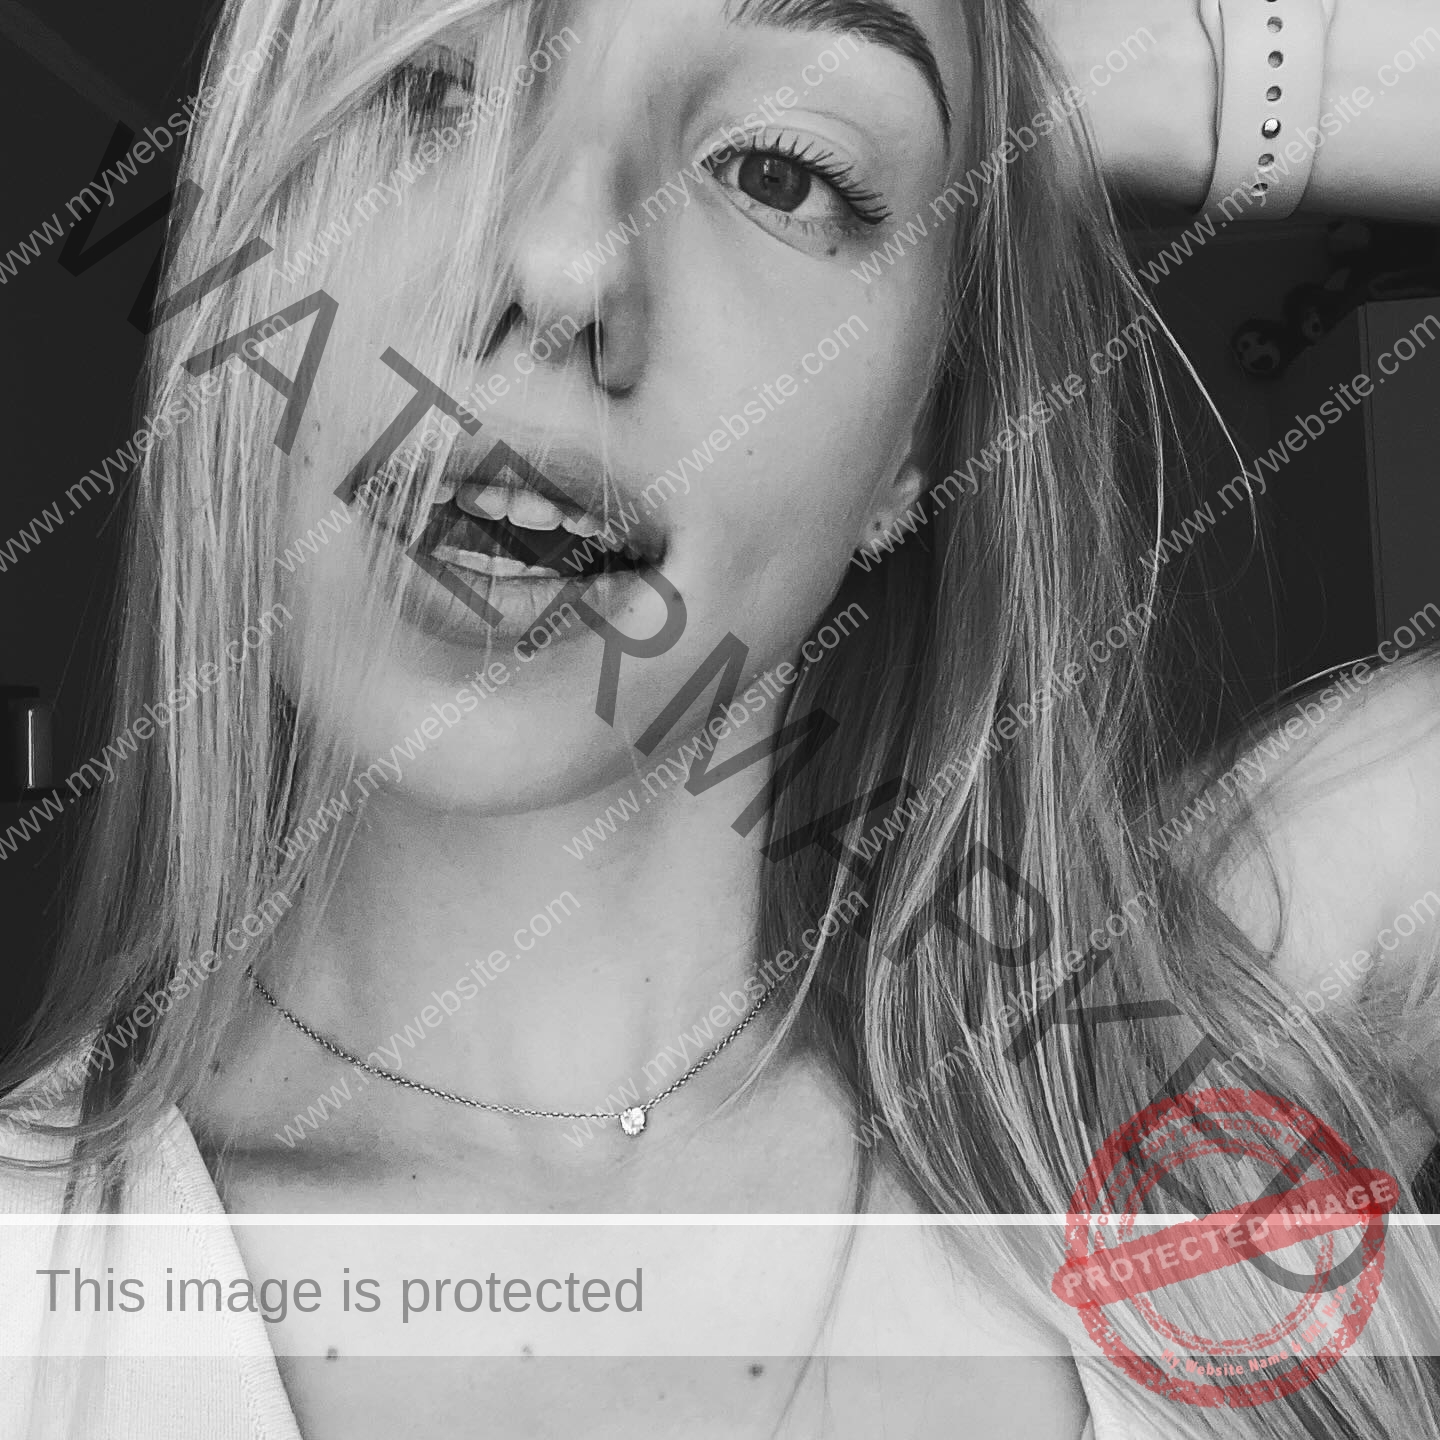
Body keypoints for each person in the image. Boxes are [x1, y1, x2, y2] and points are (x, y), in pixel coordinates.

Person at [3, 0, 1439, 1435]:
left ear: (927, 425)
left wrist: (1152, 80)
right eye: (425, 87)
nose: (563, 269)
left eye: (779, 169)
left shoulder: (1203, 1105)